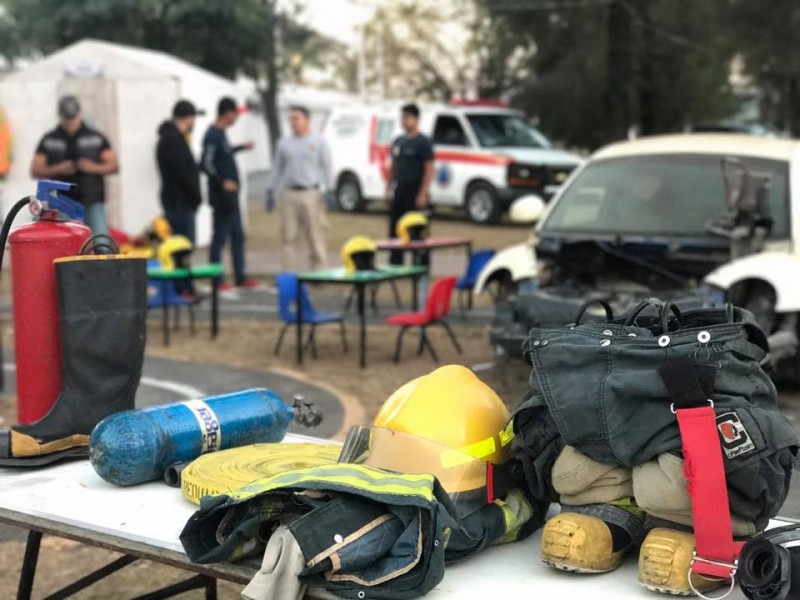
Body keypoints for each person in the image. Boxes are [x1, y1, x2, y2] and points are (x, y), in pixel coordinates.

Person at [31, 95, 118, 235]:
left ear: (79, 114)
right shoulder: (50, 139)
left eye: (73, 118)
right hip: (62, 202)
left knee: (100, 240)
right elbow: (35, 169)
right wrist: (58, 169)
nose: (71, 122)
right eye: (67, 118)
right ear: (60, 116)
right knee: (64, 242)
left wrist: (92, 168)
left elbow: (113, 165)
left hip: (92, 199)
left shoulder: (95, 137)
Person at [201, 97, 260, 291]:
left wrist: (241, 147)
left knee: (238, 235)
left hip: (232, 197)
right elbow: (206, 163)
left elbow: (224, 154)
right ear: (227, 114)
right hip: (222, 197)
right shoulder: (212, 135)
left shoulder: (222, 135)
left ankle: (240, 275)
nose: (236, 119)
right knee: (219, 238)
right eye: (235, 114)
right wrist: (222, 181)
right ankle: (216, 279)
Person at [268, 105, 333, 271]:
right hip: (290, 193)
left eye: (296, 119)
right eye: (291, 119)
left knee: (315, 234)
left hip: (311, 192)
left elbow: (327, 166)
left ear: (307, 120)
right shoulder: (284, 143)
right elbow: (277, 168)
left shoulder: (318, 142)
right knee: (288, 237)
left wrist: (330, 188)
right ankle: (288, 274)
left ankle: (320, 272)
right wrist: (270, 189)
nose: (293, 123)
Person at [385, 103, 435, 265]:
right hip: (400, 189)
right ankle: (396, 262)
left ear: (416, 119)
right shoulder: (398, 142)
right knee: (395, 228)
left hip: (415, 190)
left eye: (407, 118)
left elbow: (429, 168)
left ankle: (420, 262)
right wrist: (388, 188)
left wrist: (423, 192)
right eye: (402, 118)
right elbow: (393, 166)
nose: (404, 121)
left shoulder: (423, 142)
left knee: (416, 229)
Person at [156, 99, 202, 245]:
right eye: (193, 118)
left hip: (177, 202)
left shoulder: (170, 138)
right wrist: (195, 196)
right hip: (180, 204)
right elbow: (183, 173)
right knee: (183, 249)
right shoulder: (173, 140)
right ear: (187, 118)